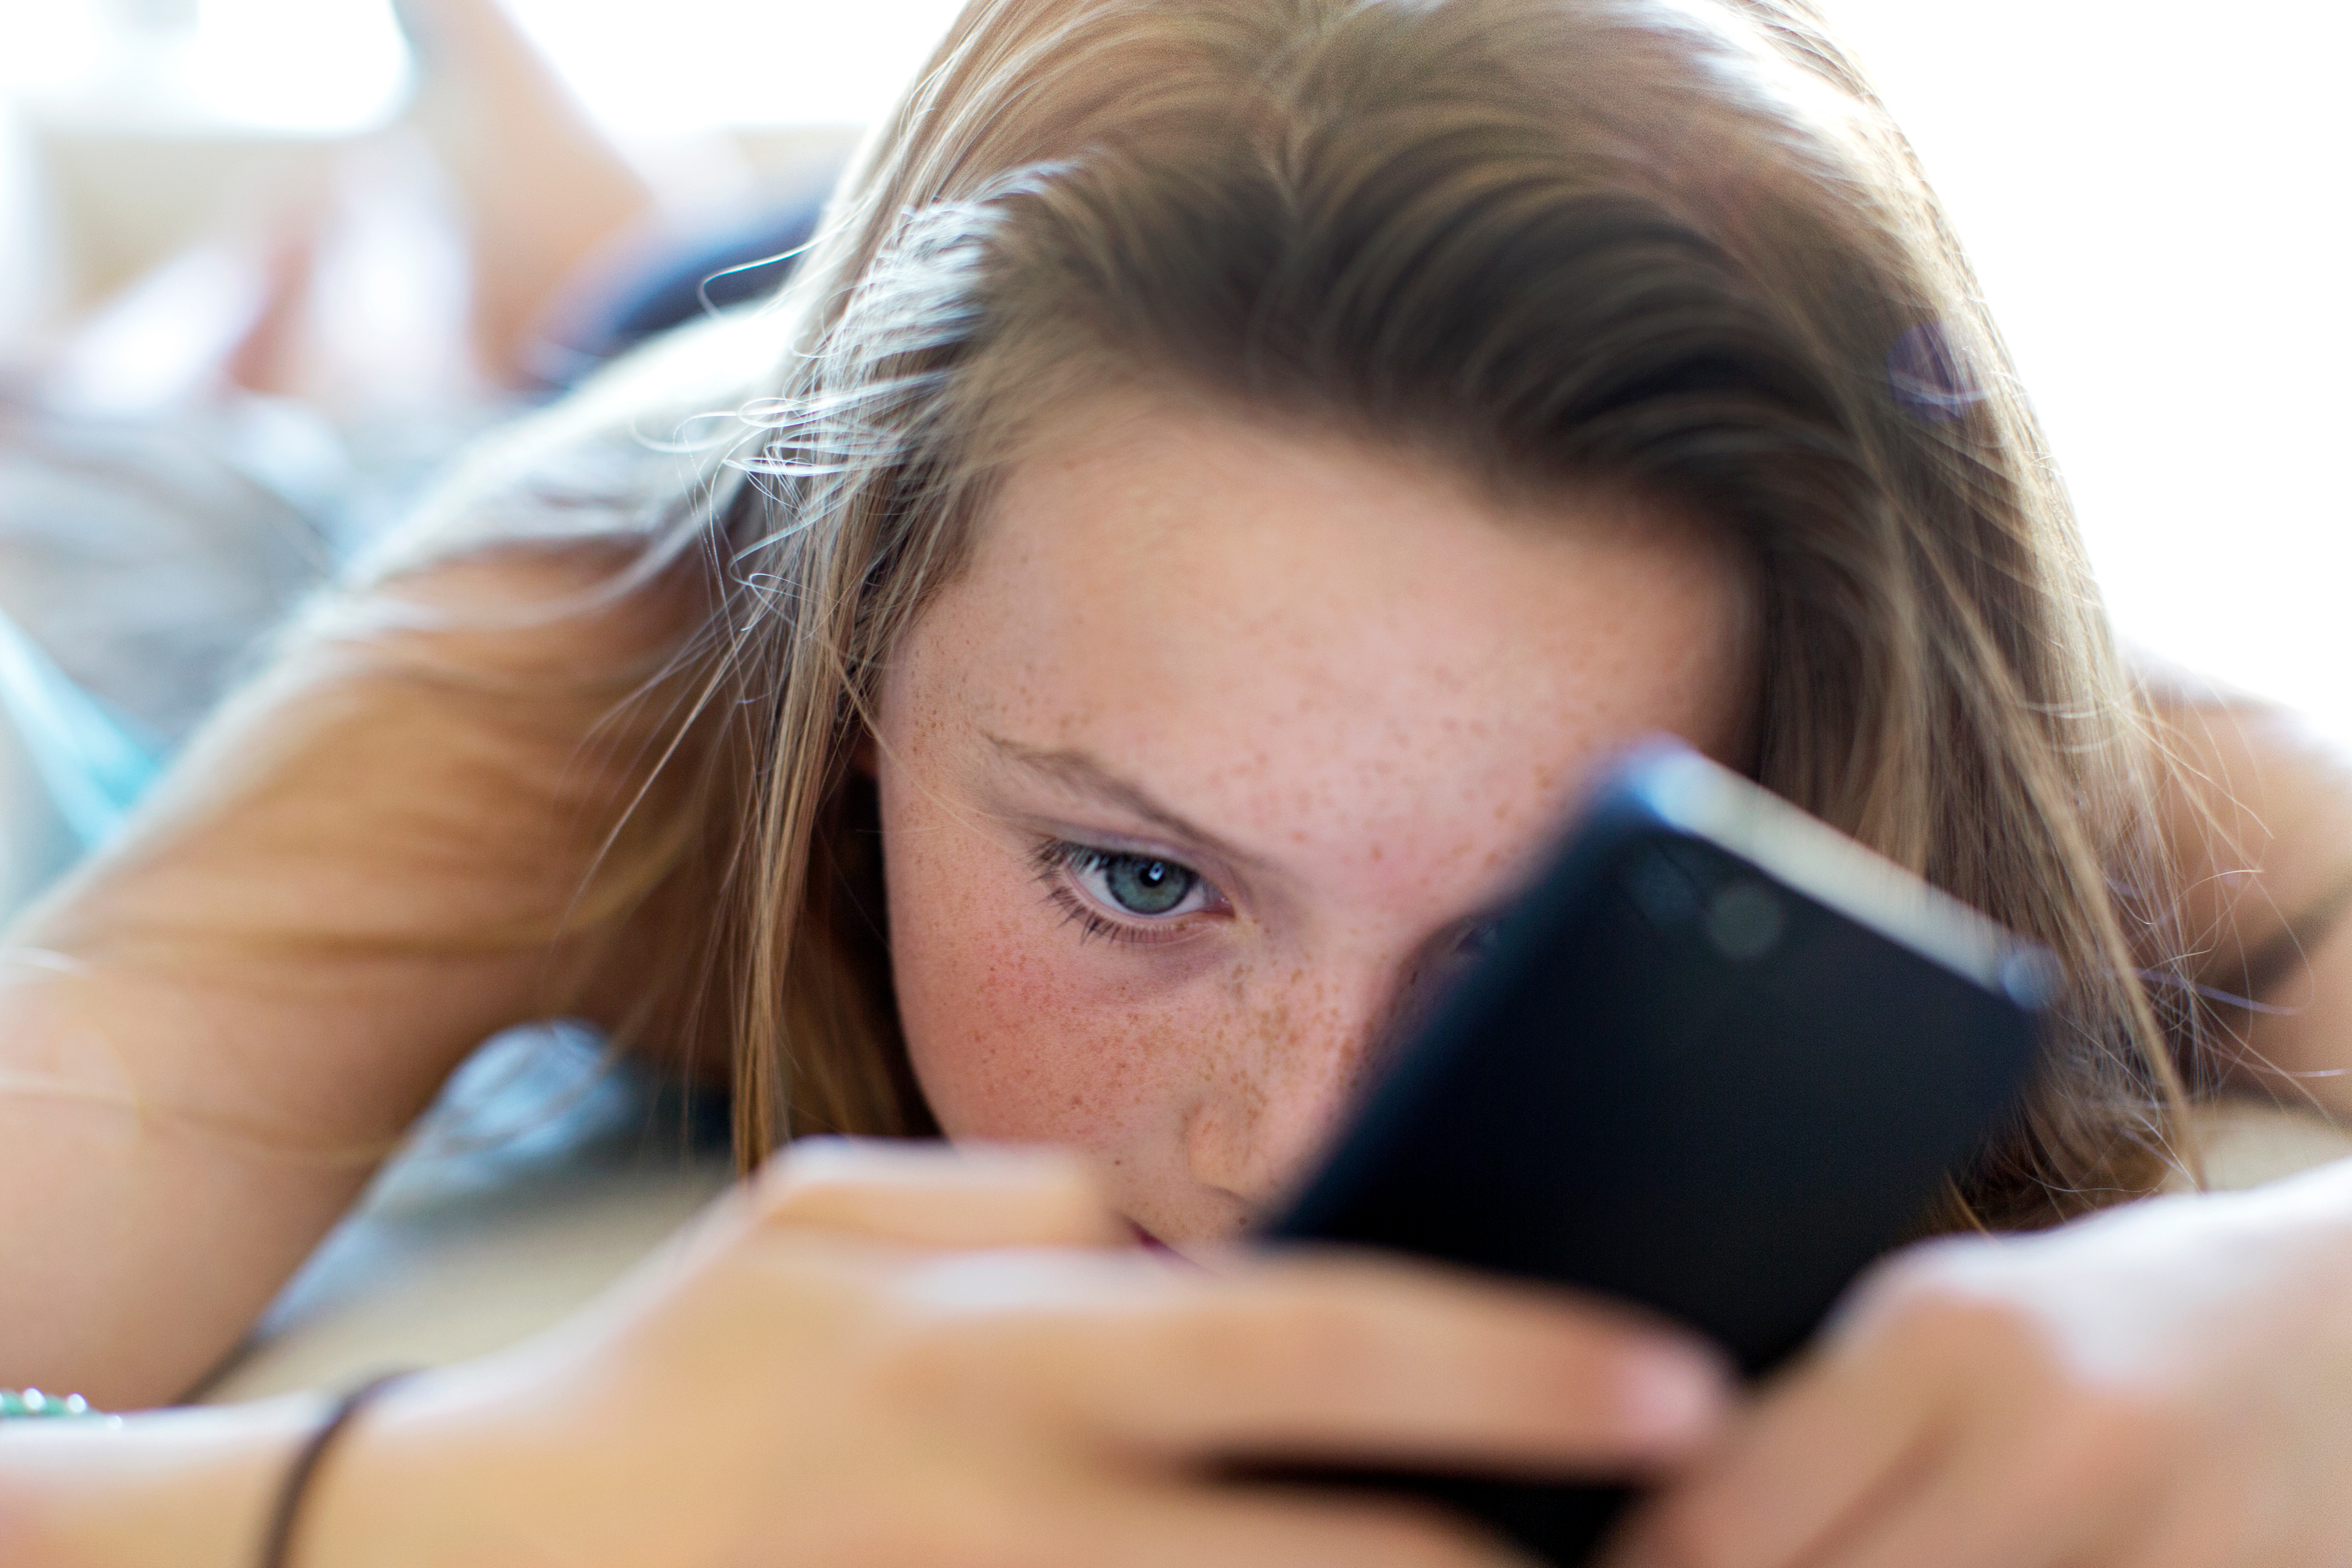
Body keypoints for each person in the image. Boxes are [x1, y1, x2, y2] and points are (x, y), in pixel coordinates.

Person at [6, 0, 2352, 1563]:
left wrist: (2301, 1308)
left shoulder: (1992, 723)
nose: (1281, 1151)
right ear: (852, 708)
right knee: (327, 349)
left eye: (1518, 940)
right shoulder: (576, 664)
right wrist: (462, 1497)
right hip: (667, 403)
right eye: (1138, 877)